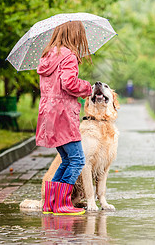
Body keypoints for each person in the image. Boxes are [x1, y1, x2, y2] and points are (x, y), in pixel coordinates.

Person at [36, 21, 92, 215]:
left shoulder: (48, 55)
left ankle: (51, 203)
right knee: (77, 159)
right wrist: (87, 87)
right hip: (63, 114)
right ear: (74, 35)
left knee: (67, 159)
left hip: (49, 114)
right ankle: (61, 204)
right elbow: (69, 83)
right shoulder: (68, 56)